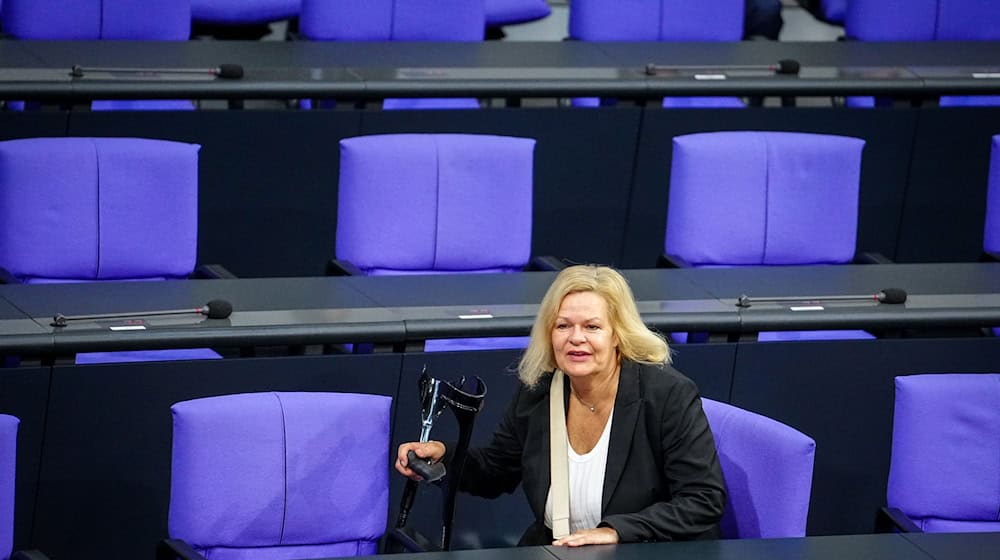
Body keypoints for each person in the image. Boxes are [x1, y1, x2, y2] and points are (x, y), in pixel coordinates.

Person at [396, 265, 726, 547]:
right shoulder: (540, 390)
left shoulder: (667, 394)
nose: (576, 338)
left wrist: (616, 532)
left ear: (617, 335)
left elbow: (702, 500)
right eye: (563, 325)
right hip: (560, 550)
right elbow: (496, 470)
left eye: (592, 327)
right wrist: (443, 456)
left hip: (642, 552)